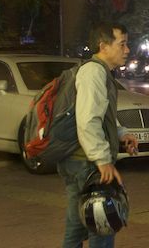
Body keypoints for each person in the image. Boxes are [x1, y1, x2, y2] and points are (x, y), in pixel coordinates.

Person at [58, 22, 139, 248]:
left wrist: (122, 133)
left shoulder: (100, 72)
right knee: (103, 223)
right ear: (103, 46)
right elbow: (88, 120)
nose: (127, 50)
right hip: (86, 163)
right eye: (122, 44)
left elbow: (102, 116)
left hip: (80, 160)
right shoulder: (93, 72)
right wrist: (102, 160)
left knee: (77, 225)